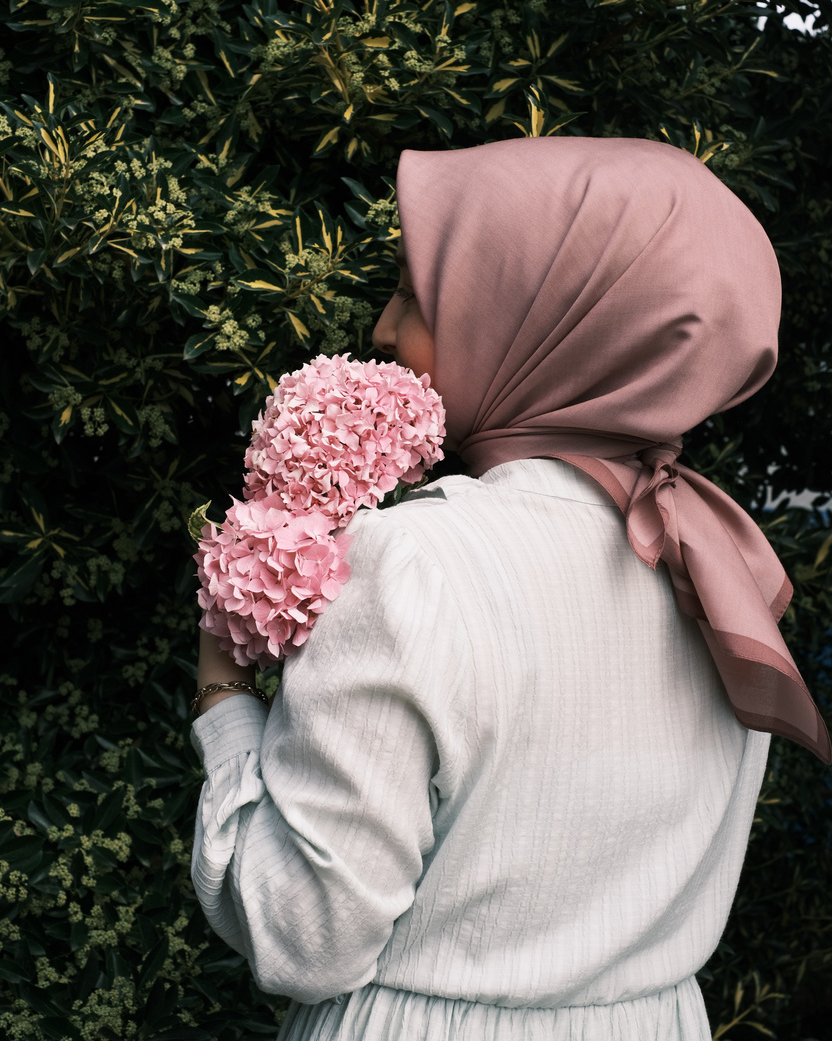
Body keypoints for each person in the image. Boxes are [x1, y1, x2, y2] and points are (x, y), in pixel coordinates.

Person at [190, 136, 830, 1041]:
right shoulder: (719, 571)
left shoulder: (414, 561)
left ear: (534, 317)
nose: (381, 328)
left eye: (414, 293)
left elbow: (303, 938)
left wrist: (224, 698)